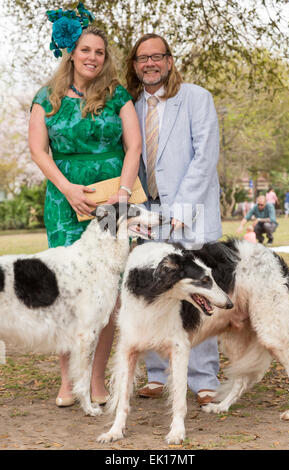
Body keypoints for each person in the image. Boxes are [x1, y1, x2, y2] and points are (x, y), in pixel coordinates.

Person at [28, 5, 142, 407]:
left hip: (113, 201)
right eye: (86, 50)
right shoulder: (47, 97)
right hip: (65, 201)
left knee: (106, 295)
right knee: (67, 291)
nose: (93, 57)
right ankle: (69, 380)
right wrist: (67, 188)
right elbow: (38, 150)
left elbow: (134, 147)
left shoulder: (118, 96)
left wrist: (125, 193)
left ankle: (95, 380)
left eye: (99, 51)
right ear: (71, 53)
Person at [126, 33, 222, 406]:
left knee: (197, 291)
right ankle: (158, 374)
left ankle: (203, 378)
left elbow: (205, 155)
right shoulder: (131, 107)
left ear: (169, 60)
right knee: (154, 291)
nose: (149, 63)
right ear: (135, 66)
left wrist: (181, 208)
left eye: (156, 56)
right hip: (148, 216)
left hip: (191, 212)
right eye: (141, 59)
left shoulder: (196, 98)